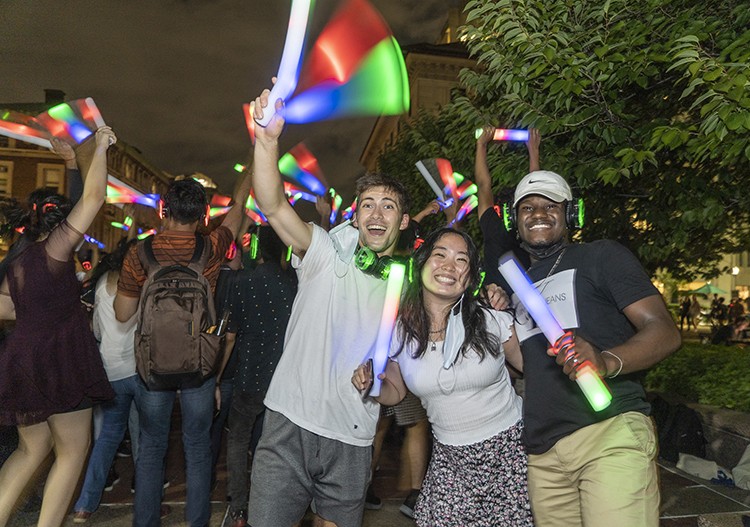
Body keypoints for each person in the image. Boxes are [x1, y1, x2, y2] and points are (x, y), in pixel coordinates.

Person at [246, 87, 411, 527]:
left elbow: (397, 378)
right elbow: (274, 206)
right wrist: (267, 142)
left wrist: (377, 376)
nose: (377, 214)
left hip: (352, 437)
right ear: (356, 216)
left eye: (388, 206)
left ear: (403, 220)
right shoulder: (324, 253)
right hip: (289, 425)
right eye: (368, 205)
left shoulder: (406, 289)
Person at [506, 170, 681, 526]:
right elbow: (529, 364)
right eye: (527, 207)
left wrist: (605, 361)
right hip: (544, 454)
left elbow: (664, 331)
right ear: (515, 220)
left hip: (608, 434)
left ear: (571, 214)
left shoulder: (601, 256)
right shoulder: (517, 289)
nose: (538, 213)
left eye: (550, 205)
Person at [352, 227, 534, 527]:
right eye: (440, 255)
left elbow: (534, 368)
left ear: (470, 276)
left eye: (461, 260)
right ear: (421, 263)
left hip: (510, 455)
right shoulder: (399, 332)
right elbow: (394, 391)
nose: (449, 266)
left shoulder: (491, 318)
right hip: (450, 460)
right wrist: (371, 384)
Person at [114, 170, 251, 527]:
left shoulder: (139, 253)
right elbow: (236, 213)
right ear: (204, 215)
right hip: (200, 366)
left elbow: (122, 313)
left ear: (164, 210)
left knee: (152, 447)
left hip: (152, 367)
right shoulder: (210, 247)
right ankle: (197, 522)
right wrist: (252, 163)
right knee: (197, 448)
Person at [0, 127, 117, 527]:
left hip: (22, 357)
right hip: (60, 358)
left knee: (29, 451)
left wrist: (70, 164)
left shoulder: (18, 260)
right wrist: (99, 147)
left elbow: (5, 308)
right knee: (72, 451)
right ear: (61, 224)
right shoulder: (57, 250)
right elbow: (95, 198)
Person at [223, 226, 298, 527]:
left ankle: (238, 508)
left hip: (248, 374)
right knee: (275, 447)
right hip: (283, 377)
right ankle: (271, 507)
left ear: (257, 249)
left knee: (238, 440)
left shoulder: (242, 282)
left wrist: (216, 378)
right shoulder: (294, 284)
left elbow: (230, 336)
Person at [72, 238, 142, 523]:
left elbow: (97, 331)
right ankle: (146, 502)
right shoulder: (141, 285)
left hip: (109, 371)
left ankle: (85, 505)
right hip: (138, 372)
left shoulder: (101, 286)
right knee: (144, 439)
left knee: (106, 440)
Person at [475, 126, 539, 289]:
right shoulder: (529, 227)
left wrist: (481, 145)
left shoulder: (493, 226)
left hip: (501, 299)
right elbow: (534, 190)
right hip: (515, 298)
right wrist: (533, 151)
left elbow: (483, 185)